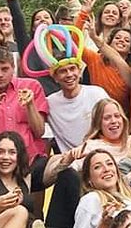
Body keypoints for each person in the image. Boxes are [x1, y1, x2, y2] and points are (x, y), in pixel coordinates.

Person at [29, 23, 109, 152]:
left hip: (100, 155)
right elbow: (40, 131)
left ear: (79, 71)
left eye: (72, 69)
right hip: (70, 163)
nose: (69, 75)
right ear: (55, 78)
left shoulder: (97, 94)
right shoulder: (50, 102)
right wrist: (29, 105)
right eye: (63, 71)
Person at [0, 47, 49, 165]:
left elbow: (39, 131)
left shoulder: (31, 86)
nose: (0, 75)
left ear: (13, 68)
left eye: (5, 69)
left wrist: (30, 105)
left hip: (31, 159)